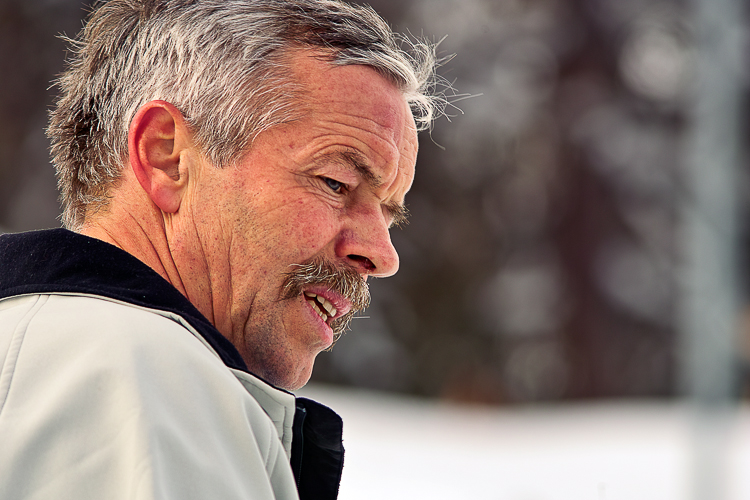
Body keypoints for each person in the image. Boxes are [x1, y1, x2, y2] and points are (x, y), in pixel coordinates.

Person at [0, 0, 442, 499]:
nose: (382, 255)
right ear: (165, 155)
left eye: (388, 212)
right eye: (336, 182)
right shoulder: (143, 388)